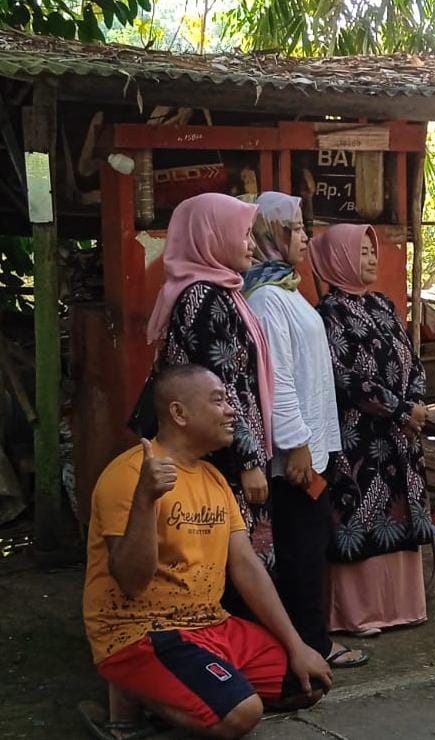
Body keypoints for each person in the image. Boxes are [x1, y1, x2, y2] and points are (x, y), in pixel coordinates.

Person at [82, 364, 332, 739]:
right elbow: (131, 582)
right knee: (242, 712)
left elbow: (246, 566)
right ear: (179, 413)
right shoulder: (130, 474)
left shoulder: (213, 478)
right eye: (218, 401)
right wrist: (145, 500)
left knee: (307, 682)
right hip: (144, 633)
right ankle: (129, 697)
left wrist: (297, 646)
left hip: (211, 625)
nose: (231, 411)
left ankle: (182, 695)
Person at [242, 192, 366, 668]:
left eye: (301, 227)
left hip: (313, 443)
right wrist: (295, 445)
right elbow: (278, 380)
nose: (304, 237)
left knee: (308, 544)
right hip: (295, 451)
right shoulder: (267, 298)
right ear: (269, 234)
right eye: (293, 228)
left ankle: (307, 641)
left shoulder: (284, 288)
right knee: (302, 548)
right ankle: (311, 646)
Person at [311, 223, 432, 636]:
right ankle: (359, 614)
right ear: (339, 259)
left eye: (371, 251)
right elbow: (342, 376)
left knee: (399, 508)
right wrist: (399, 410)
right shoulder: (328, 314)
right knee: (360, 511)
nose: (371, 259)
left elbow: (411, 359)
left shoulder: (382, 303)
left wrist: (415, 404)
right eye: (360, 252)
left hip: (402, 434)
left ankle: (402, 605)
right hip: (360, 436)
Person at [146, 192, 275, 565]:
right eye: (244, 234)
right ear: (212, 235)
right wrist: (247, 461)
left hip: (228, 444)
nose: (252, 245)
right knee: (233, 559)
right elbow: (220, 388)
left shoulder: (223, 292)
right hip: (221, 454)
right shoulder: (203, 298)